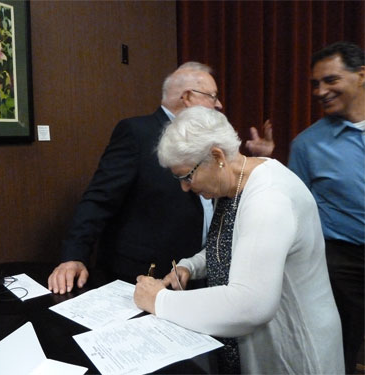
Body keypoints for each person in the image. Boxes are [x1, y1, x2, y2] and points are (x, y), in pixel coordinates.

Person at [134, 106, 344, 374]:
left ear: (217, 156)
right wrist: (190, 266)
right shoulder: (236, 184)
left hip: (294, 348)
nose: (185, 187)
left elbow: (250, 305)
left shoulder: (268, 198)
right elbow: (237, 246)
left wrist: (158, 300)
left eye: (187, 176)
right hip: (255, 343)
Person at [48, 62, 274, 294]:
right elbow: (99, 199)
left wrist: (250, 161)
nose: (219, 104)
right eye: (212, 96)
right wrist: (74, 256)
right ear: (187, 97)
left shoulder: (209, 141)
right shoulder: (137, 133)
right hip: (144, 276)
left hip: (197, 274)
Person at [288, 41, 364, 374]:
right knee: (341, 348)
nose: (321, 91)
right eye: (315, 84)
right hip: (341, 262)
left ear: (361, 75)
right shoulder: (306, 145)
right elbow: (295, 212)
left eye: (330, 80)